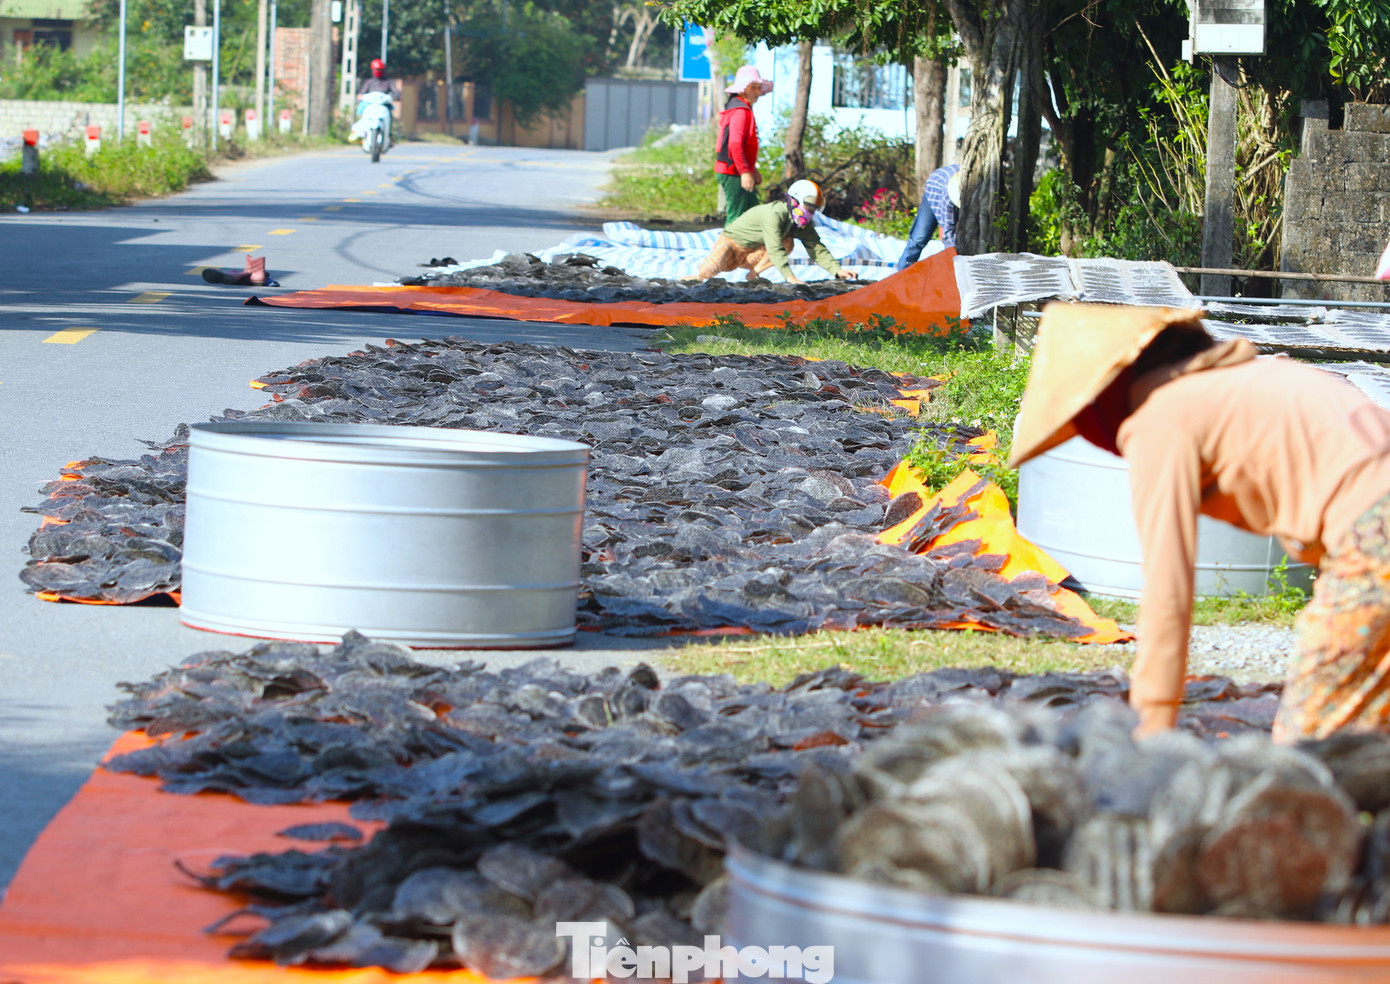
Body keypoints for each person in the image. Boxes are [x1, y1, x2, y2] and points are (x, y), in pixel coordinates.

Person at [1007, 302, 1390, 744]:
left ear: (1098, 398)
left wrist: (1151, 731)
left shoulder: (1160, 419)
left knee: (1309, 752)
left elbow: (1167, 590)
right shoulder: (1264, 377)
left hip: (1375, 539)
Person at [689, 179, 858, 285]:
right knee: (707, 272)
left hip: (752, 253)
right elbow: (774, 246)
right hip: (732, 245)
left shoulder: (801, 223)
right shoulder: (775, 214)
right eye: (808, 207)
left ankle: (753, 275)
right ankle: (689, 280)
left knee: (788, 242)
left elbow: (816, 247)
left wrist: (837, 270)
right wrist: (789, 277)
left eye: (814, 210)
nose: (810, 213)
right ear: (794, 201)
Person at [714, 65, 773, 226]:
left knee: (752, 212)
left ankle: (748, 242)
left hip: (737, 169)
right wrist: (745, 172)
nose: (757, 92)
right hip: (732, 170)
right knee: (737, 217)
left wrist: (752, 169)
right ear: (742, 89)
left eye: (759, 87)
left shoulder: (743, 108)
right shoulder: (740, 111)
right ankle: (727, 242)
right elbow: (735, 143)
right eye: (753, 87)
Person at [894, 163, 961, 271]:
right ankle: (900, 273)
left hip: (943, 183)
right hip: (933, 190)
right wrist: (954, 260)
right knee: (918, 238)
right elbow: (949, 230)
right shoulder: (949, 199)